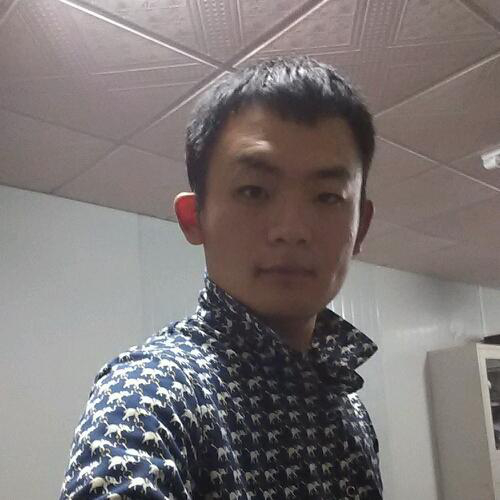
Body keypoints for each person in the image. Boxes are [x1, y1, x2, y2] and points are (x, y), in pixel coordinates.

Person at [60, 56, 382, 499]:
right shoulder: (153, 394)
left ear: (360, 227)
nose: (291, 229)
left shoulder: (350, 410)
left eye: (327, 196)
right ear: (195, 218)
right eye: (254, 191)